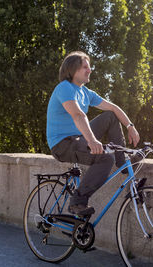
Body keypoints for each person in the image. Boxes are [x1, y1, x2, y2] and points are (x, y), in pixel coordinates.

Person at [46, 51, 140, 216]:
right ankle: (77, 201)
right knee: (104, 157)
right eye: (85, 67)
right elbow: (78, 115)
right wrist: (92, 141)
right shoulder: (64, 88)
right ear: (72, 70)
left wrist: (130, 126)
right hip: (62, 144)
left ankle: (123, 162)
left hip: (78, 138)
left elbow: (113, 108)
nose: (89, 70)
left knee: (110, 116)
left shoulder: (85, 92)